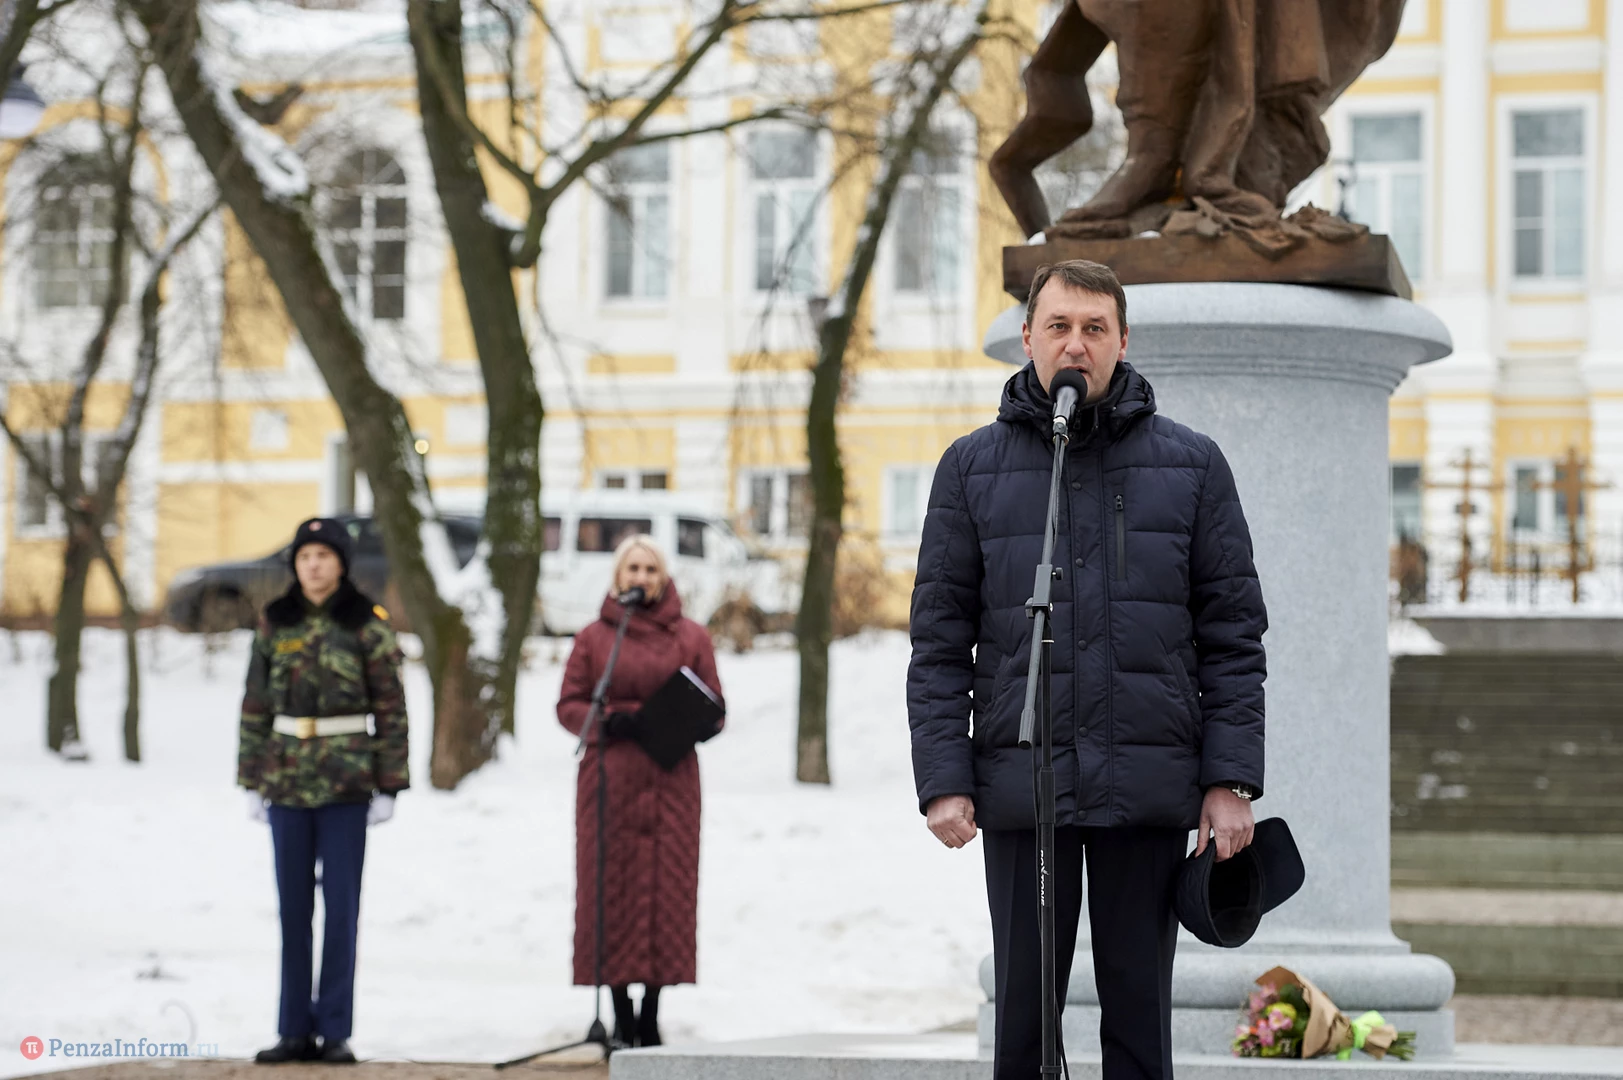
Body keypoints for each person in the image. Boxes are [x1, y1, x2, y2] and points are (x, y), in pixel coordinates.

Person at [907, 260, 1268, 1080]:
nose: (1076, 345)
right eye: (1059, 326)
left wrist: (1228, 779)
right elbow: (938, 641)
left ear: (1123, 341)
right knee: (1023, 1020)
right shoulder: (969, 468)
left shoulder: (1193, 466)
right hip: (1020, 786)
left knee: (1138, 1019)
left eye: (1094, 328)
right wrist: (943, 777)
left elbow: (1233, 637)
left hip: (1144, 785)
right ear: (1027, 338)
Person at [238, 517, 410, 1065]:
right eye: (304, 556)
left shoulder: (366, 623)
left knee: (340, 909)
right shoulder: (276, 621)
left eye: (323, 556)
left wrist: (390, 785)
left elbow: (391, 708)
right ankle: (292, 1029)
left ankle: (334, 1028)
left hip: (346, 783)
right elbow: (255, 704)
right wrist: (251, 779)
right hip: (286, 780)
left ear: (341, 563)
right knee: (292, 910)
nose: (312, 566)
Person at [557, 534, 725, 1048]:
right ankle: (619, 1013)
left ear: (664, 577)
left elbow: (715, 707)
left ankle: (651, 1012)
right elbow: (569, 704)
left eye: (650, 569)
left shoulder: (691, 636)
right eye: (632, 568)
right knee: (611, 889)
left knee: (664, 891)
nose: (641, 578)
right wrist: (608, 721)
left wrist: (688, 722)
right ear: (618, 577)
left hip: (671, 781)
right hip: (610, 780)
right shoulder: (594, 638)